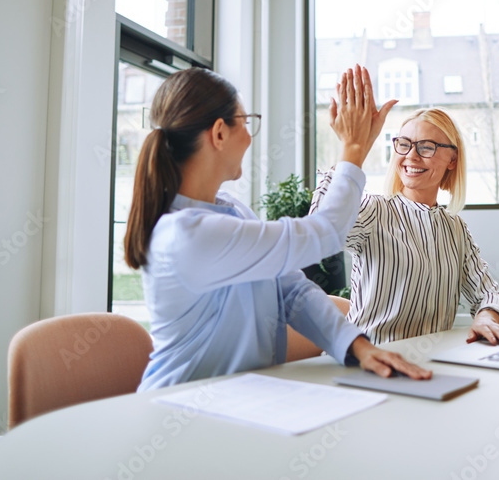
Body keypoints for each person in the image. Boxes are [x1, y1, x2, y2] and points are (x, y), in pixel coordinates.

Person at [125, 64, 431, 391]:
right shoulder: (186, 235)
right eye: (245, 122)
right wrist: (353, 150)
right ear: (218, 133)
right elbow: (325, 232)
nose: (248, 136)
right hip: (179, 406)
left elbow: (290, 291)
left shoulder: (231, 211)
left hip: (243, 398)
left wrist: (359, 347)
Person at [311, 108, 499, 346]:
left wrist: (486, 317)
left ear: (452, 159)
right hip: (369, 360)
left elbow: (487, 293)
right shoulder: (373, 210)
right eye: (404, 144)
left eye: (426, 147)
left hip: (430, 363)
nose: (412, 155)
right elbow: (318, 233)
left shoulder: (455, 228)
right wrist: (350, 149)